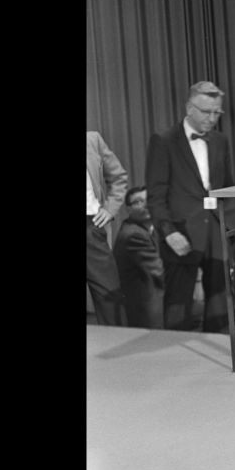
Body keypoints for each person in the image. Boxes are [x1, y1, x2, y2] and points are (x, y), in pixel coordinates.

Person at [145, 81, 235, 332]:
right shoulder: (164, 141)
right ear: (189, 108)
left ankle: (219, 357)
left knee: (219, 302)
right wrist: (169, 232)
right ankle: (177, 360)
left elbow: (226, 186)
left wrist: (227, 223)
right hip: (181, 232)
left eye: (217, 112)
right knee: (178, 304)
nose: (212, 118)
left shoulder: (220, 140)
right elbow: (155, 195)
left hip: (215, 232)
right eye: (206, 112)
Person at [87, 130, 129, 326]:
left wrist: (110, 209)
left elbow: (119, 177)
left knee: (109, 296)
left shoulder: (92, 140)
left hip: (92, 227)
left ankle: (116, 348)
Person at [113, 186, 165, 328]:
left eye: (148, 200)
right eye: (138, 202)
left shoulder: (148, 229)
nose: (146, 204)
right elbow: (159, 271)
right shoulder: (133, 235)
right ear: (128, 209)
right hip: (146, 311)